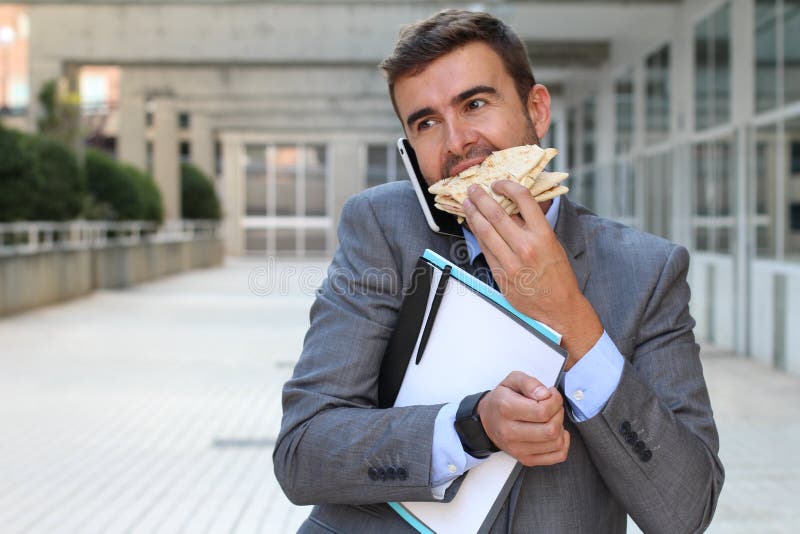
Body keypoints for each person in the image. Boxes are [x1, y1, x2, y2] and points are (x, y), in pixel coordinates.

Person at [274, 9, 723, 533]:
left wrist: (573, 322)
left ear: (536, 108)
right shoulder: (380, 228)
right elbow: (303, 451)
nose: (458, 141)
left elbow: (686, 510)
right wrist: (469, 428)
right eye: (426, 122)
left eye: (476, 103)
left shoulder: (646, 270)